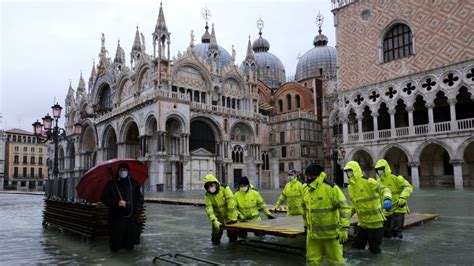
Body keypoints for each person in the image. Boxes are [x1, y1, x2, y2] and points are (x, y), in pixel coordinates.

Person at [302, 163, 352, 265]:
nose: (307, 178)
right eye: (306, 175)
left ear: (316, 175)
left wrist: (344, 228)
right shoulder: (306, 190)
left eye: (309, 175)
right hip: (313, 236)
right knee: (312, 261)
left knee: (335, 262)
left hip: (331, 236)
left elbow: (345, 208)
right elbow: (305, 210)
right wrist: (306, 226)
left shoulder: (331, 188)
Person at [343, 161, 392, 254]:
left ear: (355, 170)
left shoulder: (368, 181)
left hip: (375, 222)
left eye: (350, 170)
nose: (348, 173)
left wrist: (387, 199)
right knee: (357, 247)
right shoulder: (351, 187)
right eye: (347, 171)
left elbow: (384, 189)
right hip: (363, 223)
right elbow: (354, 205)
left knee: (374, 249)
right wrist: (345, 218)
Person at [101, 162, 144, 252]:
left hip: (131, 219)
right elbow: (104, 199)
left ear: (128, 171)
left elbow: (139, 199)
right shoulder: (111, 184)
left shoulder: (134, 183)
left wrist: (136, 212)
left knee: (129, 245)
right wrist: (117, 203)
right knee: (116, 245)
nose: (123, 172)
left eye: (124, 170)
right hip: (117, 219)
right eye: (121, 170)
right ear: (118, 171)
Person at [374, 159, 414, 239]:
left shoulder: (395, 177)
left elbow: (408, 187)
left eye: (381, 169)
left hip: (398, 207)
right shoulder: (378, 181)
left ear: (385, 168)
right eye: (377, 170)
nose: (379, 171)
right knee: (385, 232)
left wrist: (403, 197)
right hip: (386, 209)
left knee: (396, 231)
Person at [203, 173, 239, 245]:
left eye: (211, 185)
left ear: (216, 184)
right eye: (208, 186)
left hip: (231, 217)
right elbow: (209, 210)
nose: (210, 187)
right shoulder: (207, 195)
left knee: (233, 237)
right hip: (218, 218)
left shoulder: (225, 188)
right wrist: (214, 220)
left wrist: (230, 219)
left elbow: (231, 203)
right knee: (215, 238)